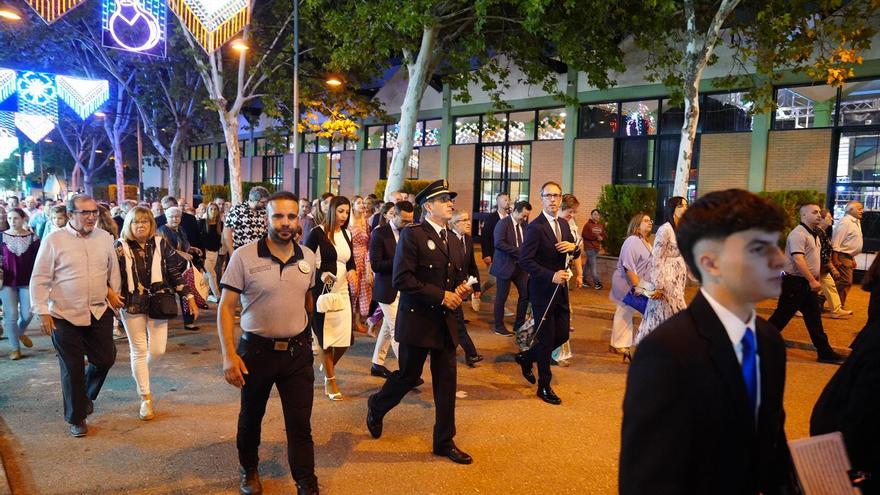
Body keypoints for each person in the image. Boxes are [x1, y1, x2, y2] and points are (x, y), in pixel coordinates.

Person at [620, 189, 796, 494]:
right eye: (759, 248)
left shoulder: (768, 343)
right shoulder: (667, 352)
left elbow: (769, 441)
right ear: (710, 263)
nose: (778, 260)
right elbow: (646, 478)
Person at [218, 191, 320, 495]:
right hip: (256, 353)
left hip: (297, 354)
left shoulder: (308, 256)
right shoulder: (244, 256)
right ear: (267, 218)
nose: (285, 222)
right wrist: (229, 355)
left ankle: (306, 482)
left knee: (300, 424)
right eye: (278, 216)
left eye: (291, 216)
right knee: (251, 417)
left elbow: (308, 299)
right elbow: (226, 307)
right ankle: (249, 470)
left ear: (298, 219)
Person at [366, 180, 474, 465]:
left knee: (447, 383)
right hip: (418, 321)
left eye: (451, 199)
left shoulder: (453, 239)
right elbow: (403, 279)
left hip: (446, 323)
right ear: (428, 206)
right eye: (444, 200)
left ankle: (444, 441)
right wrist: (442, 296)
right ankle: (377, 405)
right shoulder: (412, 235)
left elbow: (457, 278)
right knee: (408, 376)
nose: (451, 203)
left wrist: (463, 290)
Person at [30, 194, 123, 437]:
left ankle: (82, 398)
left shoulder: (105, 238)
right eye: (85, 213)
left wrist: (113, 293)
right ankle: (77, 417)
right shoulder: (54, 240)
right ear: (71, 215)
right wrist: (42, 311)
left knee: (105, 359)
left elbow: (111, 270)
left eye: (94, 212)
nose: (92, 217)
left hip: (98, 310)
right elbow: (39, 278)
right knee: (72, 368)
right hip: (63, 314)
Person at [115, 207, 195, 421]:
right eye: (135, 222)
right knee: (139, 350)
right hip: (131, 302)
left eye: (145, 221)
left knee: (158, 350)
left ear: (151, 224)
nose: (140, 225)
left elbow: (173, 271)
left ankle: (140, 372)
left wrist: (188, 296)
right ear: (129, 225)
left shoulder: (161, 243)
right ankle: (146, 398)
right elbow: (112, 275)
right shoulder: (119, 247)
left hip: (160, 300)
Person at [516, 182, 578, 404]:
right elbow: (524, 260)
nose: (553, 200)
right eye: (548, 195)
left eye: (556, 196)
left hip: (561, 291)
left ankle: (526, 357)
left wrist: (575, 248)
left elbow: (572, 251)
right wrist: (550, 275)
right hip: (542, 291)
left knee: (562, 335)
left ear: (561, 199)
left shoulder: (563, 223)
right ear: (541, 198)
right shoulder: (535, 227)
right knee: (546, 338)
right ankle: (544, 385)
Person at [768, 203, 845, 364]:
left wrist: (813, 279)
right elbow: (798, 259)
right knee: (780, 318)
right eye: (814, 212)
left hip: (806, 283)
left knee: (814, 319)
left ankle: (825, 352)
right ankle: (753, 346)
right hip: (795, 283)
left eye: (819, 212)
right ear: (803, 216)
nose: (819, 215)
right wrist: (812, 280)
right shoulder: (798, 234)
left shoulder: (814, 233)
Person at [304, 196, 356, 400]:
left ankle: (328, 366)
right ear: (331, 211)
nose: (344, 215)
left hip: (343, 290)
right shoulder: (317, 233)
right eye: (340, 211)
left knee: (344, 340)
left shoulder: (347, 233)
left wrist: (352, 270)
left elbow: (350, 261)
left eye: (346, 211)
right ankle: (330, 381)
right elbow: (305, 261)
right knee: (327, 339)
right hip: (323, 291)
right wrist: (320, 275)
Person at [368, 201, 414, 378]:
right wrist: (399, 262)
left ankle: (377, 365)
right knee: (398, 330)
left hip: (404, 288)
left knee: (388, 329)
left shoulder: (409, 231)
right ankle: (408, 372)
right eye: (404, 220)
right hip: (386, 289)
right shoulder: (379, 233)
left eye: (410, 220)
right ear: (393, 214)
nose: (407, 224)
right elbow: (376, 264)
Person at [636, 196, 690, 344]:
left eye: (686, 205)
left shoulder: (683, 229)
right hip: (666, 279)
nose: (685, 209)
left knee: (660, 316)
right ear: (672, 209)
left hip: (678, 279)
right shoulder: (665, 229)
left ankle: (655, 349)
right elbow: (656, 258)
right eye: (681, 206)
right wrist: (658, 285)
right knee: (676, 313)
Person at [609, 213, 656, 358]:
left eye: (650, 221)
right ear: (637, 225)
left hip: (638, 283)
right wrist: (638, 287)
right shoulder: (632, 241)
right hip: (627, 283)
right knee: (625, 311)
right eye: (646, 221)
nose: (650, 223)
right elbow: (628, 266)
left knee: (625, 311)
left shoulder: (646, 242)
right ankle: (619, 345)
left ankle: (620, 344)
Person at [2, 208, 40, 360]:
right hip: (6, 281)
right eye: (10, 218)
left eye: (16, 218)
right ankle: (15, 348)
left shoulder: (33, 238)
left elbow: (40, 259)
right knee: (11, 315)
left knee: (28, 314)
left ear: (24, 218)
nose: (12, 221)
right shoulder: (1, 237)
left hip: (28, 280)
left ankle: (18, 332)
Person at [490, 200, 532, 337]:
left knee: (525, 294)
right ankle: (498, 326)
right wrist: (520, 252)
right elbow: (498, 243)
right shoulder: (503, 223)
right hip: (504, 266)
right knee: (502, 297)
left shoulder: (525, 225)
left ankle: (519, 324)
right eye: (523, 215)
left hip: (520, 268)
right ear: (515, 211)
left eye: (526, 216)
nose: (524, 219)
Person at [159, 207, 203, 331]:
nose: (174, 219)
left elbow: (184, 245)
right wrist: (182, 254)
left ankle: (189, 322)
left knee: (187, 294)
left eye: (177, 216)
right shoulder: (162, 230)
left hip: (183, 268)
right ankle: (161, 324)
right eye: (171, 216)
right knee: (168, 296)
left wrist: (192, 249)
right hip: (168, 269)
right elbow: (165, 249)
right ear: (166, 218)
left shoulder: (181, 229)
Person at [449, 210, 483, 367]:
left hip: (463, 286)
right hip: (450, 289)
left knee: (450, 321)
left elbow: (472, 266)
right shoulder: (447, 239)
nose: (469, 222)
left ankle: (439, 347)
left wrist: (476, 287)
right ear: (454, 224)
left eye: (468, 219)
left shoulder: (468, 240)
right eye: (464, 220)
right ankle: (471, 354)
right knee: (458, 321)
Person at [818, 208, 852, 319]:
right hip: (817, 266)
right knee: (808, 288)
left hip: (821, 267)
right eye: (829, 217)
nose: (832, 219)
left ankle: (836, 310)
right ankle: (796, 308)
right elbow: (822, 253)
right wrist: (832, 267)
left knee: (830, 285)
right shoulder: (818, 232)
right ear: (821, 219)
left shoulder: (822, 232)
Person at [478, 193, 510, 307]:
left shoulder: (510, 217)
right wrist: (486, 254)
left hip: (507, 256)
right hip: (493, 254)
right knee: (493, 280)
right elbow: (485, 236)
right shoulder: (492, 218)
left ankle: (501, 306)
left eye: (508, 200)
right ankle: (478, 292)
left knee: (503, 281)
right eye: (505, 200)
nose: (507, 202)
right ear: (498, 202)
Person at [832, 200, 863, 309]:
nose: (862, 211)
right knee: (845, 281)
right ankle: (821, 297)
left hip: (848, 256)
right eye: (859, 209)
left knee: (846, 283)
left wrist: (853, 258)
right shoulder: (846, 222)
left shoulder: (856, 222)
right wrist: (835, 259)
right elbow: (836, 241)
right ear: (850, 209)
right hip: (842, 256)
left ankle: (839, 305)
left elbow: (850, 242)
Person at [348, 195, 372, 333]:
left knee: (363, 291)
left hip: (364, 258)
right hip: (352, 258)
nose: (362, 205)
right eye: (359, 202)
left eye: (363, 202)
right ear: (353, 206)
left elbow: (368, 243)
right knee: (352, 291)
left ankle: (357, 321)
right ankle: (349, 321)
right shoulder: (349, 223)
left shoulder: (365, 223)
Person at [224, 187, 270, 253]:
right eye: (263, 202)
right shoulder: (237, 210)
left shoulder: (265, 211)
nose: (265, 204)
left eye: (266, 202)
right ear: (253, 200)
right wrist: (232, 252)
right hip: (241, 253)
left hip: (261, 252)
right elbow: (227, 233)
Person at [198, 203, 224, 303]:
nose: (213, 211)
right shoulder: (202, 222)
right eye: (211, 209)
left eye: (215, 209)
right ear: (207, 210)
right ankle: (218, 296)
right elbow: (198, 238)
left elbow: (219, 239)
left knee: (206, 276)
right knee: (212, 274)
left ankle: (201, 294)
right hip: (205, 253)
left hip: (215, 252)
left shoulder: (220, 224)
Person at [581, 209, 606, 289]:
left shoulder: (600, 225)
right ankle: (597, 283)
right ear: (591, 215)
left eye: (598, 214)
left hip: (596, 248)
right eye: (595, 214)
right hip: (589, 248)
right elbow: (584, 235)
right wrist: (596, 237)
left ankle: (583, 280)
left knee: (588, 265)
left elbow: (603, 235)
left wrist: (602, 237)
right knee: (594, 266)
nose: (596, 216)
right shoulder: (587, 225)